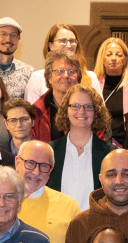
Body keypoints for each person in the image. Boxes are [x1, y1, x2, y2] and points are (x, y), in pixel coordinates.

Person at [7, 139, 81, 243]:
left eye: (44, 166)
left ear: (51, 169)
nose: (36, 172)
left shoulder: (68, 206)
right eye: (30, 163)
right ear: (17, 163)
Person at [48, 83, 113, 212]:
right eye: (75, 106)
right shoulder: (50, 151)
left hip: (95, 223)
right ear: (66, 110)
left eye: (88, 106)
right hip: (57, 223)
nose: (81, 111)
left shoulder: (109, 154)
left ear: (96, 112)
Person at [23, 23, 101, 104]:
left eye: (72, 41)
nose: (69, 45)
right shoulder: (37, 78)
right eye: (62, 41)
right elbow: (33, 110)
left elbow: (100, 109)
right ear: (50, 46)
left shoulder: (91, 77)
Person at [30, 53, 86, 144]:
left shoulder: (90, 109)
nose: (66, 75)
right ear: (49, 78)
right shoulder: (36, 111)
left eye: (71, 71)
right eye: (59, 71)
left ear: (78, 77)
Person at [94, 37, 128, 145]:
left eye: (119, 55)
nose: (114, 58)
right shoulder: (93, 84)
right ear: (102, 58)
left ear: (125, 60)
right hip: (98, 145)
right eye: (109, 54)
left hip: (127, 146)